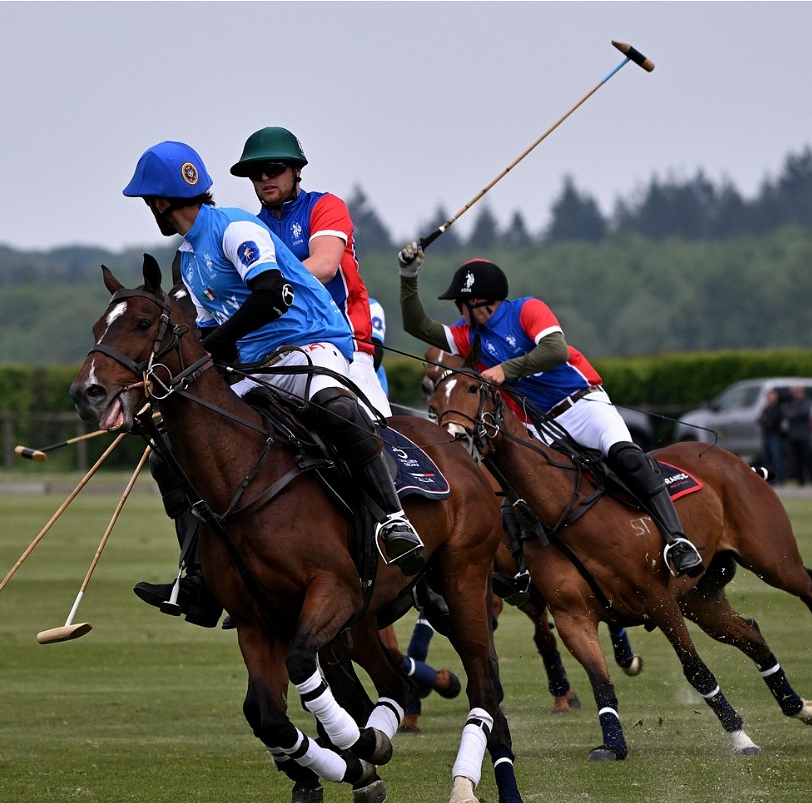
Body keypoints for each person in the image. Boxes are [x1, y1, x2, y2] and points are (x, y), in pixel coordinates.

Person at [124, 140, 425, 625]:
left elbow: (272, 294)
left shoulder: (235, 228)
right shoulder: (187, 258)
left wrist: (215, 345)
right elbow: (206, 330)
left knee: (336, 410)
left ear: (158, 201)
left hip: (309, 341)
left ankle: (394, 522)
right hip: (255, 363)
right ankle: (197, 576)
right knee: (174, 450)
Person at [396, 247, 705, 578]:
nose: (458, 310)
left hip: (582, 405)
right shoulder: (466, 334)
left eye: (461, 303)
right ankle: (526, 574)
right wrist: (408, 275)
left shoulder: (527, 310)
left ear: (479, 302)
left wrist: (506, 369)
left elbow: (556, 350)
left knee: (626, 457)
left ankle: (677, 540)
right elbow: (416, 325)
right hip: (539, 424)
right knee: (520, 490)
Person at [230, 126, 387, 417]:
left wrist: (265, 287)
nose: (264, 178)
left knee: (369, 432)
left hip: (347, 345)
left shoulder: (325, 206)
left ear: (297, 170)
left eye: (274, 168)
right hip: (279, 352)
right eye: (255, 172)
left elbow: (325, 266)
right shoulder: (251, 228)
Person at [782, 385, 812, 486]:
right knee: (796, 459)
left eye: (798, 391)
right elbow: (786, 412)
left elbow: (803, 412)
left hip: (804, 435)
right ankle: (801, 481)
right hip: (793, 435)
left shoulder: (806, 401)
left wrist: (794, 413)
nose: (796, 393)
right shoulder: (790, 403)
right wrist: (795, 413)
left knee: (807, 458)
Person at [756, 388, 785, 483]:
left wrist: (766, 420)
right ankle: (769, 479)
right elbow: (759, 420)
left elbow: (774, 421)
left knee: (776, 458)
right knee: (767, 458)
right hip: (767, 436)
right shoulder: (766, 408)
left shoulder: (778, 408)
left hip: (775, 436)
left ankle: (779, 479)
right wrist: (767, 421)